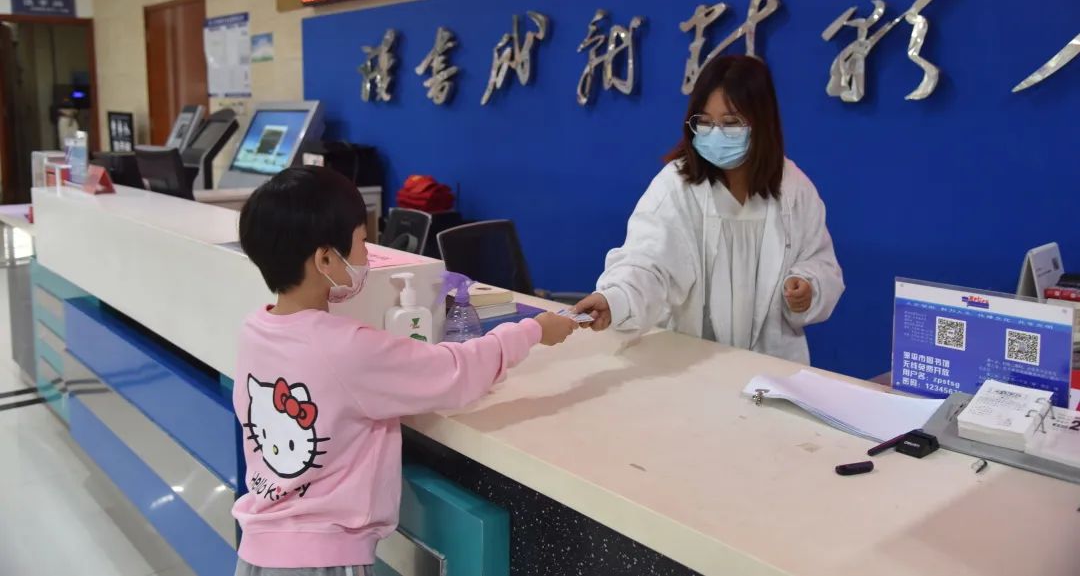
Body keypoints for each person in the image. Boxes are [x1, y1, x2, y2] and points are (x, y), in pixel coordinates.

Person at [232, 166, 577, 576]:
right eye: (362, 242)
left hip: (257, 554)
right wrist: (533, 330)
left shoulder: (255, 329)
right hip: (322, 561)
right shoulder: (346, 348)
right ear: (325, 259)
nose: (367, 255)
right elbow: (456, 372)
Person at [575, 55, 843, 364]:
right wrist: (615, 298)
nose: (716, 134)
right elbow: (647, 262)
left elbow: (820, 261)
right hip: (692, 364)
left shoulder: (794, 190)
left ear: (762, 123)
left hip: (771, 366)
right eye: (704, 121)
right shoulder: (675, 187)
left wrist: (808, 286)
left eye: (731, 123)